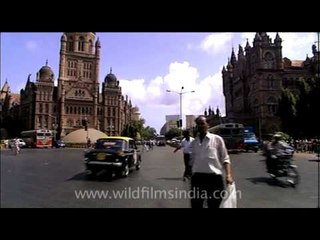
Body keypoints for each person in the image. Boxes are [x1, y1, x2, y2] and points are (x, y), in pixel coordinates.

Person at [190, 116, 233, 208]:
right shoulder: (194, 143)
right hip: (197, 179)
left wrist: (228, 175)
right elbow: (192, 161)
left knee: (214, 205)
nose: (200, 126)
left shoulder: (217, 139)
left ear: (208, 125)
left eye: (202, 123)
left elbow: (225, 158)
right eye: (198, 124)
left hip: (214, 179)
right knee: (196, 205)